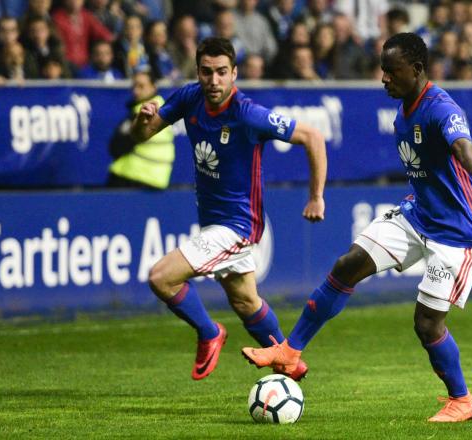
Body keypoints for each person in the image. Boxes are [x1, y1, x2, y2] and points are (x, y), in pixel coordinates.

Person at [243, 32, 472, 423]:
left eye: (391, 71)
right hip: (419, 214)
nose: (383, 78)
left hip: (457, 230)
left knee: (427, 323)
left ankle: (462, 400)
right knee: (348, 264)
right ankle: (290, 350)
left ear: (416, 70)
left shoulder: (440, 108)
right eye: (382, 70)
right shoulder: (404, 109)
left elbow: (462, 144)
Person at [130, 37, 327, 381]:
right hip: (212, 223)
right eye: (207, 72)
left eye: (222, 72)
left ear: (234, 73)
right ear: (198, 72)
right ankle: (288, 360)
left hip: (237, 226)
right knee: (245, 301)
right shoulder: (190, 97)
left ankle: (209, 332)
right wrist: (141, 119)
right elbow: (142, 134)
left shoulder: (248, 114)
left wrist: (316, 197)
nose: (214, 80)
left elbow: (312, 137)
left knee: (161, 277)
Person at [108, 71, 174, 189]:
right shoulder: (164, 107)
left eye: (141, 86)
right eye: (134, 86)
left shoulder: (143, 112)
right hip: (159, 180)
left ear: (153, 87)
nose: (136, 91)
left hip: (135, 177)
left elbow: (117, 147)